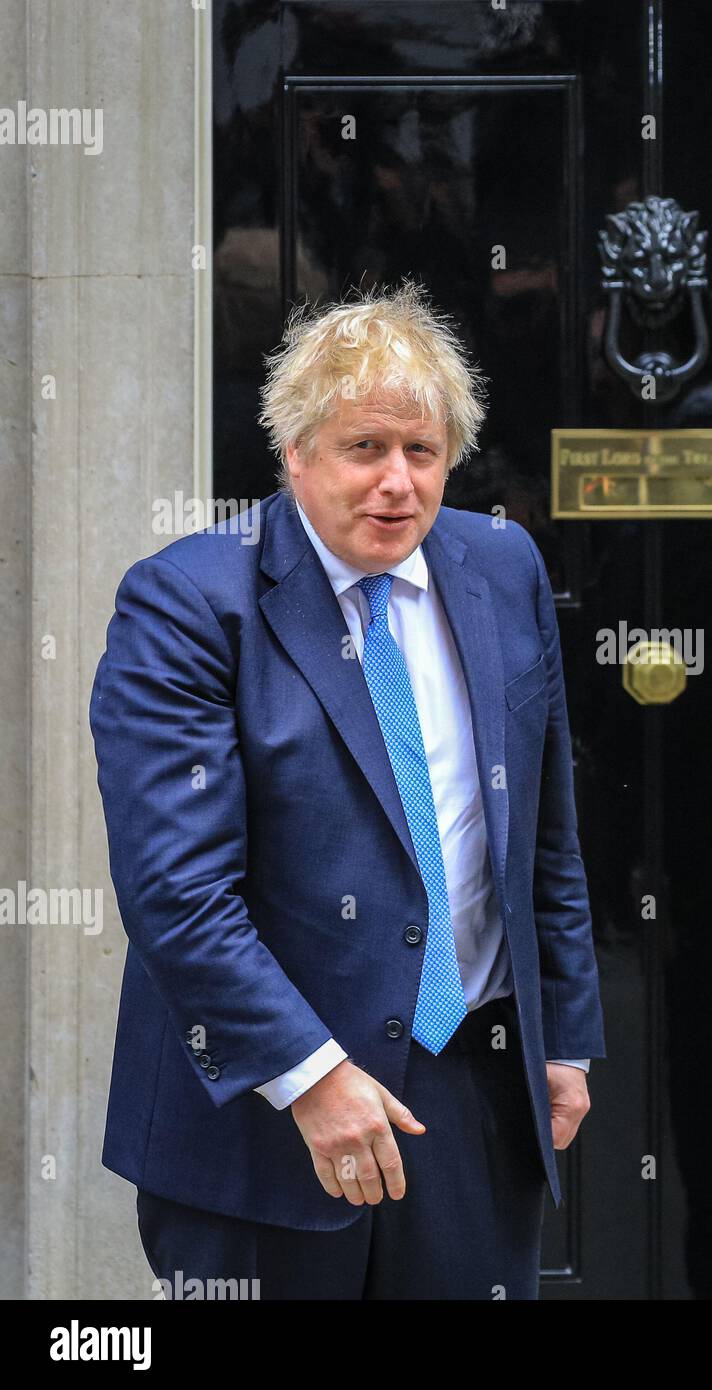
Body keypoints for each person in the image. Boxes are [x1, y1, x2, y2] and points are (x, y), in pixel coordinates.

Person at [90, 281, 604, 1299]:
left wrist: (567, 1035)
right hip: (260, 1109)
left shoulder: (502, 567)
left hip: (469, 1093)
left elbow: (542, 832)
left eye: (423, 452)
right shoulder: (190, 602)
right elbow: (177, 895)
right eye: (364, 449)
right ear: (296, 453)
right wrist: (311, 1075)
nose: (398, 484)